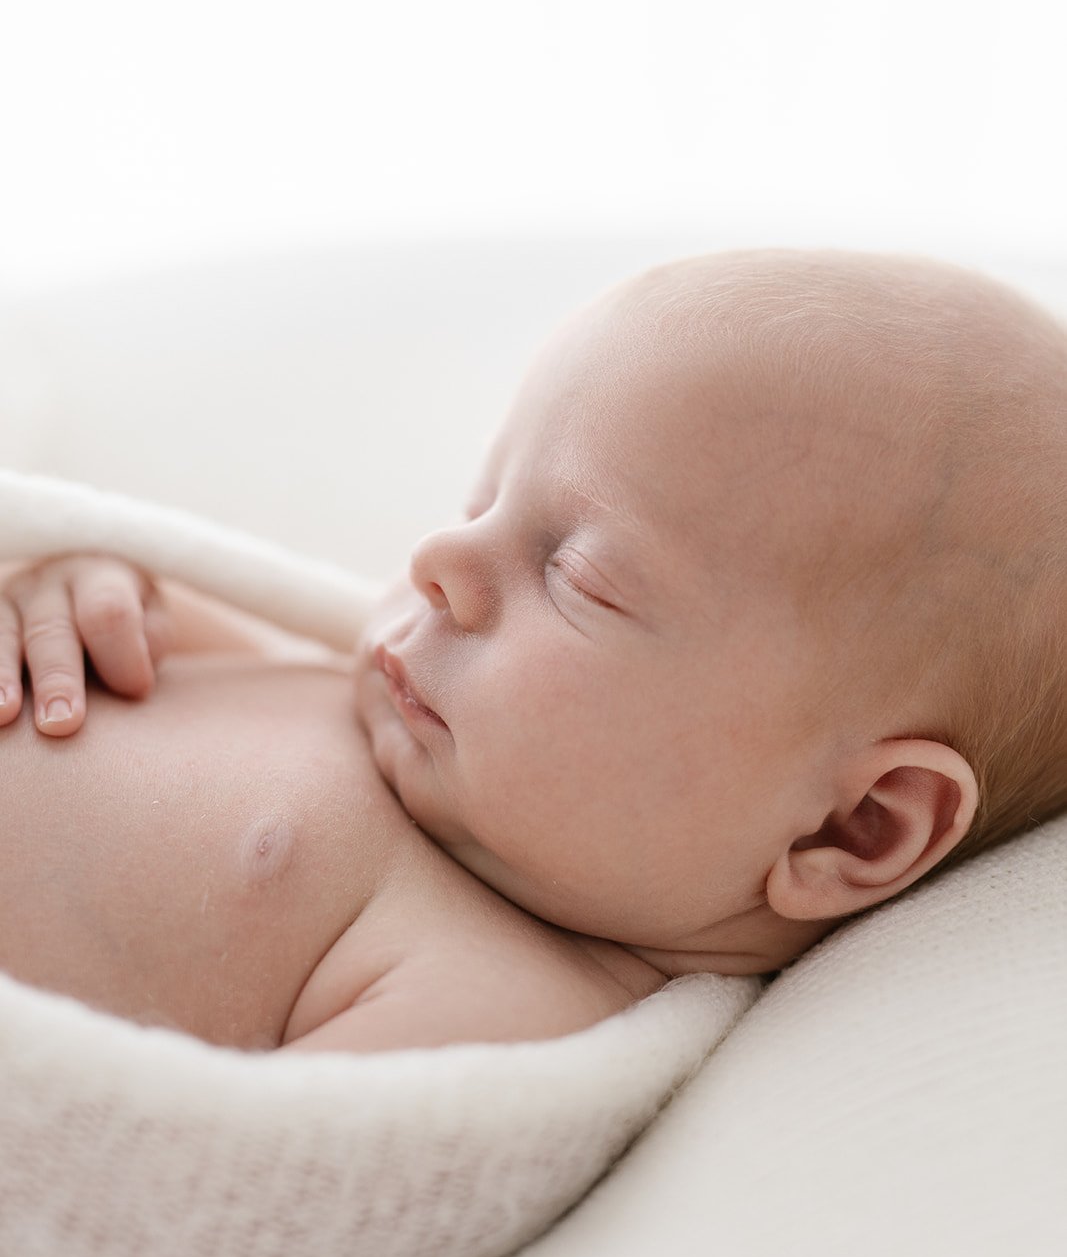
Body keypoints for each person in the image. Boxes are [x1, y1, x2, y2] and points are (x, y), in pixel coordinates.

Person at [2, 249, 1065, 1054]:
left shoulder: (493, 1000)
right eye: (481, 498)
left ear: (853, 826)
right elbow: (131, 635)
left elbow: (173, 1199)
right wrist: (79, 589)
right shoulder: (367, 695)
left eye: (578, 575)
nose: (436, 559)